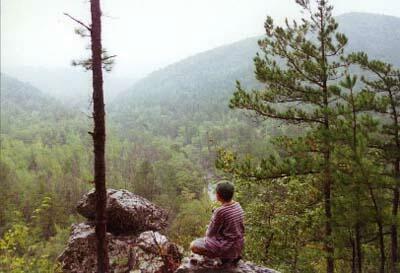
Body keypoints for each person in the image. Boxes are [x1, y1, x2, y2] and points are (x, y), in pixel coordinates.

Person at [189, 181, 245, 266]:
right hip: (238, 246)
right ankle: (232, 256)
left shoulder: (220, 211)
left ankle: (224, 258)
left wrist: (213, 218)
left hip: (227, 248)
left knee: (193, 245)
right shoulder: (238, 206)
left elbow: (210, 233)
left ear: (218, 195)